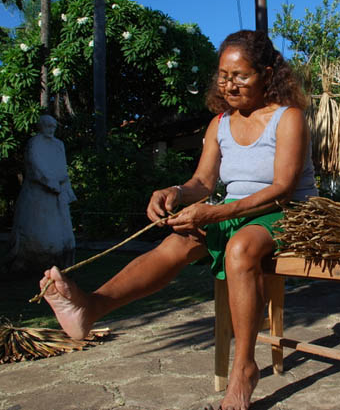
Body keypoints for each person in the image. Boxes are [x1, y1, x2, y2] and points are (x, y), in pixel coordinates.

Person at [38, 30, 317, 410]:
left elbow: (283, 188)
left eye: (240, 76)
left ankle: (245, 368)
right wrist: (175, 193)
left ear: (267, 74)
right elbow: (203, 182)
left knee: (240, 248)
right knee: (176, 242)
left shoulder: (289, 118)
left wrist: (215, 212)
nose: (229, 85)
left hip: (289, 213)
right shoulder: (220, 123)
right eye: (223, 76)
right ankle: (91, 307)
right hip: (237, 210)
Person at [8, 114, 76, 274]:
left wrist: (63, 183)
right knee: (36, 231)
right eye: (48, 126)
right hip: (39, 193)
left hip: (57, 193)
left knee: (62, 233)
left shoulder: (59, 144)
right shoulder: (35, 143)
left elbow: (62, 166)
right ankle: (28, 264)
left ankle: (60, 262)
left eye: (53, 127)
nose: (51, 130)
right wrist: (48, 181)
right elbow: (35, 166)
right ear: (41, 127)